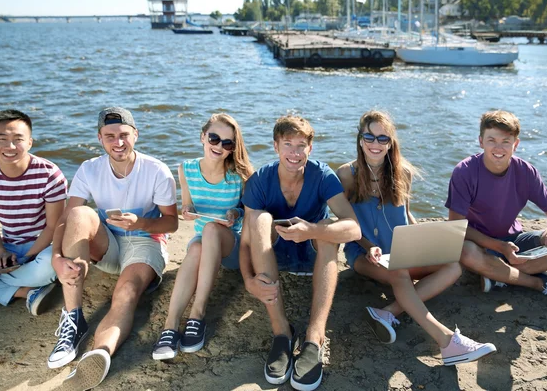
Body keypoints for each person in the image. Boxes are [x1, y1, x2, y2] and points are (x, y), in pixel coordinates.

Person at [337, 110, 497, 366]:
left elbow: (408, 215)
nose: (375, 144)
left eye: (383, 138)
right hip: (364, 254)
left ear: (391, 142)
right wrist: (368, 246)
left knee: (453, 265)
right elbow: (347, 224)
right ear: (359, 139)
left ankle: (388, 312)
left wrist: (424, 241)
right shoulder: (347, 175)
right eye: (369, 136)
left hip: (402, 251)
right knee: (399, 272)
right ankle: (447, 341)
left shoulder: (404, 173)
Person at [47, 107, 178, 391]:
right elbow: (66, 218)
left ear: (136, 135)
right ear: (100, 138)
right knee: (81, 215)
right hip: (108, 246)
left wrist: (140, 222)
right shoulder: (89, 168)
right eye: (110, 137)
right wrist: (56, 257)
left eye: (124, 135)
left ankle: (99, 353)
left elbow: (172, 224)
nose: (118, 143)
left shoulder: (157, 170)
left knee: (126, 291)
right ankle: (73, 319)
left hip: (146, 242)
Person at [239, 115, 361, 391]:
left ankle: (314, 337)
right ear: (275, 146)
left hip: (312, 255)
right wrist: (248, 280)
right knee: (259, 220)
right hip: (272, 256)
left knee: (331, 228)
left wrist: (313, 230)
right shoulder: (260, 179)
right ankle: (282, 332)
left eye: (301, 145)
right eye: (287, 144)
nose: (294, 153)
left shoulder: (322, 175)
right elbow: (246, 241)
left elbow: (354, 229)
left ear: (310, 149)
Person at [152, 113, 254, 360]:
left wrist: (235, 213)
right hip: (200, 244)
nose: (219, 146)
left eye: (227, 143)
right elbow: (188, 206)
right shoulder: (185, 169)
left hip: (231, 246)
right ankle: (170, 325)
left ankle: (197, 314)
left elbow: (248, 215)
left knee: (210, 230)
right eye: (214, 138)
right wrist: (187, 212)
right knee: (196, 247)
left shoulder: (240, 175)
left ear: (232, 148)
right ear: (203, 137)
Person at [0, 109, 66, 314]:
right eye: (2, 139)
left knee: (49, 267)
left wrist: (24, 260)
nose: (10, 146)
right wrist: (1, 254)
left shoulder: (49, 173)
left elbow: (54, 226)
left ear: (30, 142)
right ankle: (25, 292)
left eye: (18, 139)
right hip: (9, 248)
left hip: (43, 248)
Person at [446, 110, 547, 295]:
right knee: (465, 251)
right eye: (492, 140)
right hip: (480, 246)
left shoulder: (526, 172)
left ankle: (498, 274)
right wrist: (499, 247)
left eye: (506, 141)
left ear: (516, 144)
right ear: (481, 141)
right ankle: (536, 283)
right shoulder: (465, 171)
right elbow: (456, 226)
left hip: (514, 241)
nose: (499, 148)